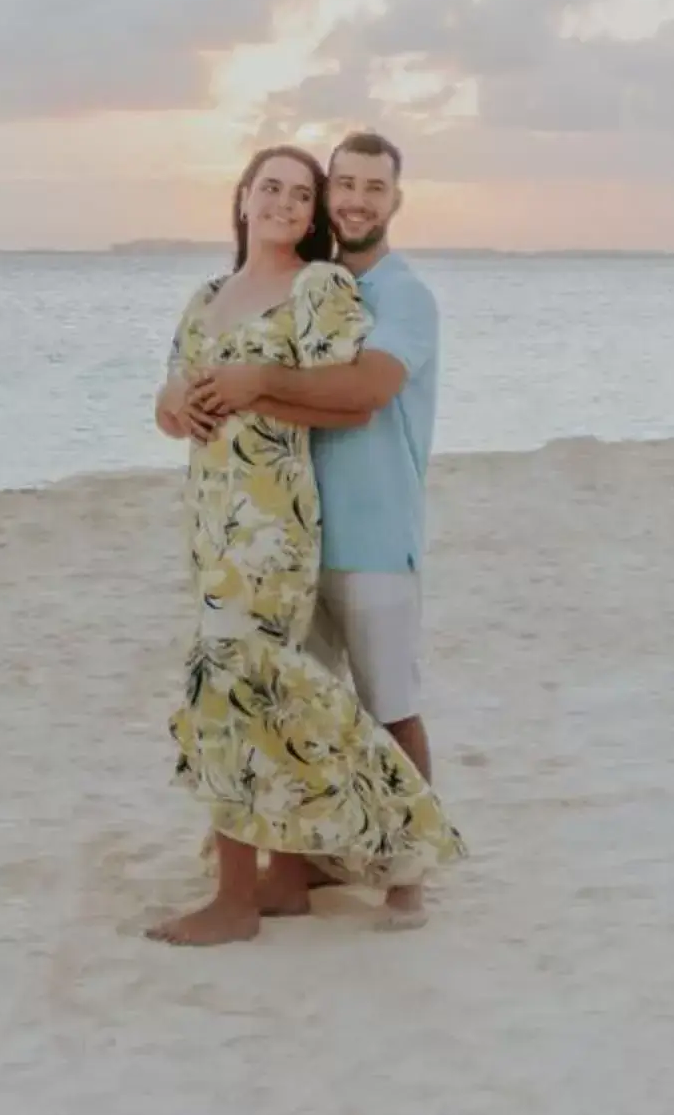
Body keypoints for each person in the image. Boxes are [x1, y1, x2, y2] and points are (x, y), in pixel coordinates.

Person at [145, 145, 463, 945]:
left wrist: (254, 383)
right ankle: (287, 875)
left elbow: (358, 397)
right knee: (281, 698)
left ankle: (398, 868)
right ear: (242, 195)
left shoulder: (361, 293)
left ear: (396, 198)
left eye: (307, 193)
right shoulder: (209, 295)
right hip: (218, 525)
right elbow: (172, 398)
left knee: (358, 699)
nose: (306, 202)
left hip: (324, 526)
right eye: (275, 188)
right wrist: (179, 399)